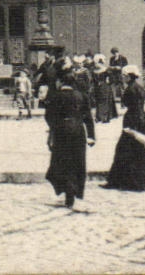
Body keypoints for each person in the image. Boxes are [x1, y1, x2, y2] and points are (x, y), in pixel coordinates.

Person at [44, 67, 94, 210]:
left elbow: (49, 116)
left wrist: (53, 129)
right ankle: (74, 192)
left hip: (62, 131)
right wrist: (91, 136)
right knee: (77, 161)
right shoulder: (81, 95)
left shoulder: (55, 96)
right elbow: (88, 117)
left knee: (62, 161)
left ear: (60, 81)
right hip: (78, 130)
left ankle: (67, 192)